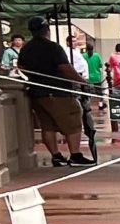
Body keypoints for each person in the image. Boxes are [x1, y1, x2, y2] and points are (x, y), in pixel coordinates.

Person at [14, 18, 87, 165]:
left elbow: (21, 66)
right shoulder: (53, 47)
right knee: (73, 121)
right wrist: (82, 81)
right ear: (47, 30)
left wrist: (33, 76)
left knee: (47, 125)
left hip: (37, 92)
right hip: (58, 91)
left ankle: (56, 155)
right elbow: (65, 68)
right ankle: (75, 155)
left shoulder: (26, 48)